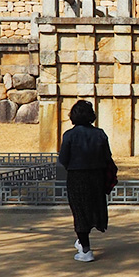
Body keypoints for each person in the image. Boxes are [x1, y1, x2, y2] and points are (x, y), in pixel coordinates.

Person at [58, 100, 113, 262]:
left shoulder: (69, 135)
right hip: (97, 176)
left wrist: (73, 167)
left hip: (76, 177)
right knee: (94, 208)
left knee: (79, 211)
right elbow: (107, 156)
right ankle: (82, 242)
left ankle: (86, 250)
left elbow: (63, 159)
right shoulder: (100, 134)